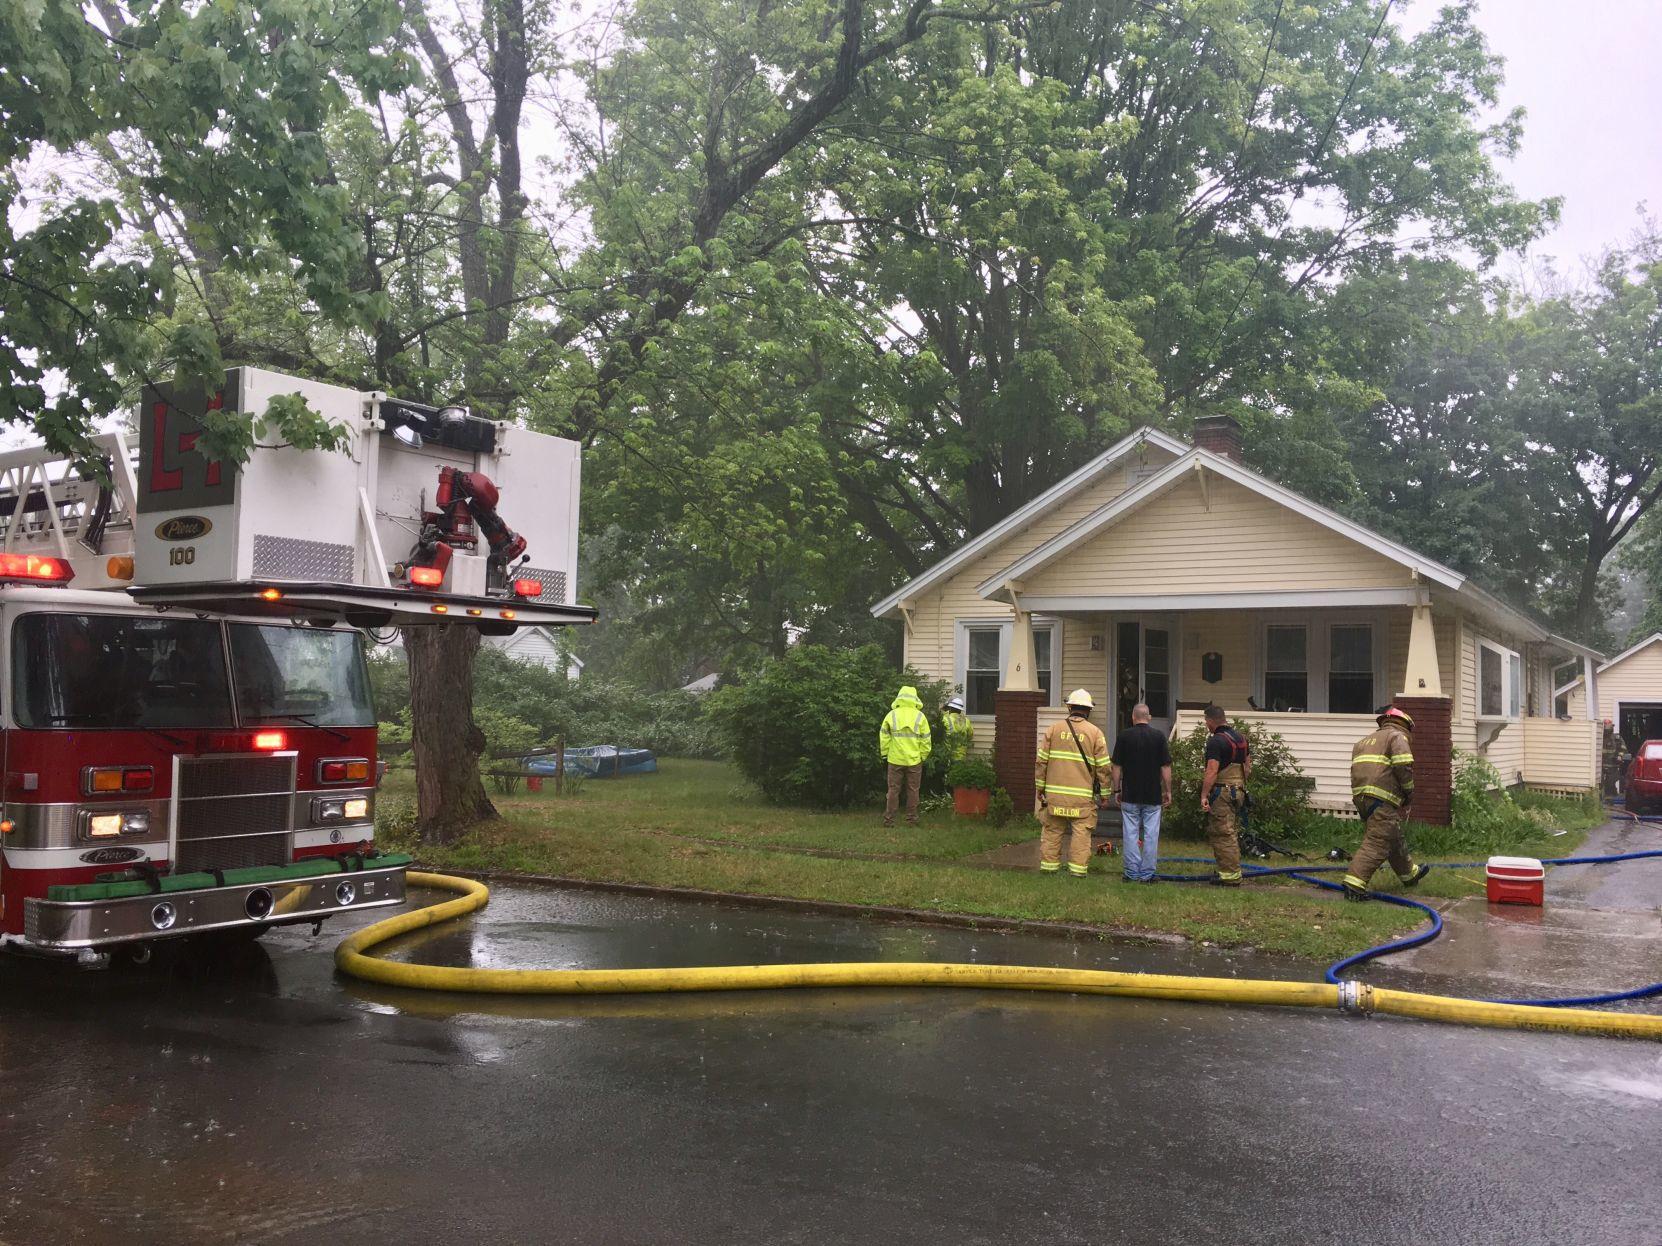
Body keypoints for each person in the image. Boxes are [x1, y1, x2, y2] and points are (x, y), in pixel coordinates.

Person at [1344, 705, 1430, 900]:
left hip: (1362, 798)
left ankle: (1410, 874)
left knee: (1392, 835)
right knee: (1378, 842)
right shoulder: (1396, 737)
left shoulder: (1363, 741)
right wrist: (1409, 791)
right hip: (1381, 797)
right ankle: (1354, 884)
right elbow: (1403, 766)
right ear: (1405, 724)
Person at [1035, 689, 1109, 877]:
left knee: (1052, 832)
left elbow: (1041, 761)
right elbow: (1104, 767)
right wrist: (1106, 795)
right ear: (1088, 710)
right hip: (1081, 799)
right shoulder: (1095, 733)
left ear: (1069, 707)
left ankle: (1049, 870)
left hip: (1054, 797)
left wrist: (1040, 788)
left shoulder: (1053, 730)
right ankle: (1077, 872)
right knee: (1081, 835)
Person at [1111, 702, 1171, 882]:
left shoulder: (1124, 736)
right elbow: (1166, 767)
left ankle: (1131, 873)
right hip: (1153, 795)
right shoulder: (1159, 736)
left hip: (1130, 793)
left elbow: (1116, 766)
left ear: (1133, 717)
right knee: (1151, 835)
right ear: (1149, 717)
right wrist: (1168, 791)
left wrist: (1117, 789)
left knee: (1130, 834)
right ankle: (1147, 874)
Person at [1198, 705, 1250, 885]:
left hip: (1222, 792)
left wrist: (1204, 794)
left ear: (1211, 721)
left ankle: (1230, 875)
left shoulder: (1216, 741)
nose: (1206, 725)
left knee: (1222, 833)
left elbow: (1212, 771)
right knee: (1231, 831)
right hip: (1239, 791)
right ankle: (1228, 868)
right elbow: (1247, 767)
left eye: (1206, 721)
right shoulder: (1241, 738)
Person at [880, 685, 932, 827]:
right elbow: (926, 739)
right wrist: (923, 756)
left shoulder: (892, 715)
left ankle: (889, 820)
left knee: (893, 790)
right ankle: (912, 820)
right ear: (915, 698)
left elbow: (884, 736)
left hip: (895, 759)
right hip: (914, 760)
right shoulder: (920, 716)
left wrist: (885, 754)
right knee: (913, 790)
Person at [941, 695, 975, 764]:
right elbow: (970, 735)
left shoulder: (946, 719)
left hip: (948, 756)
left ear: (950, 708)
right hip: (962, 756)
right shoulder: (966, 720)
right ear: (960, 710)